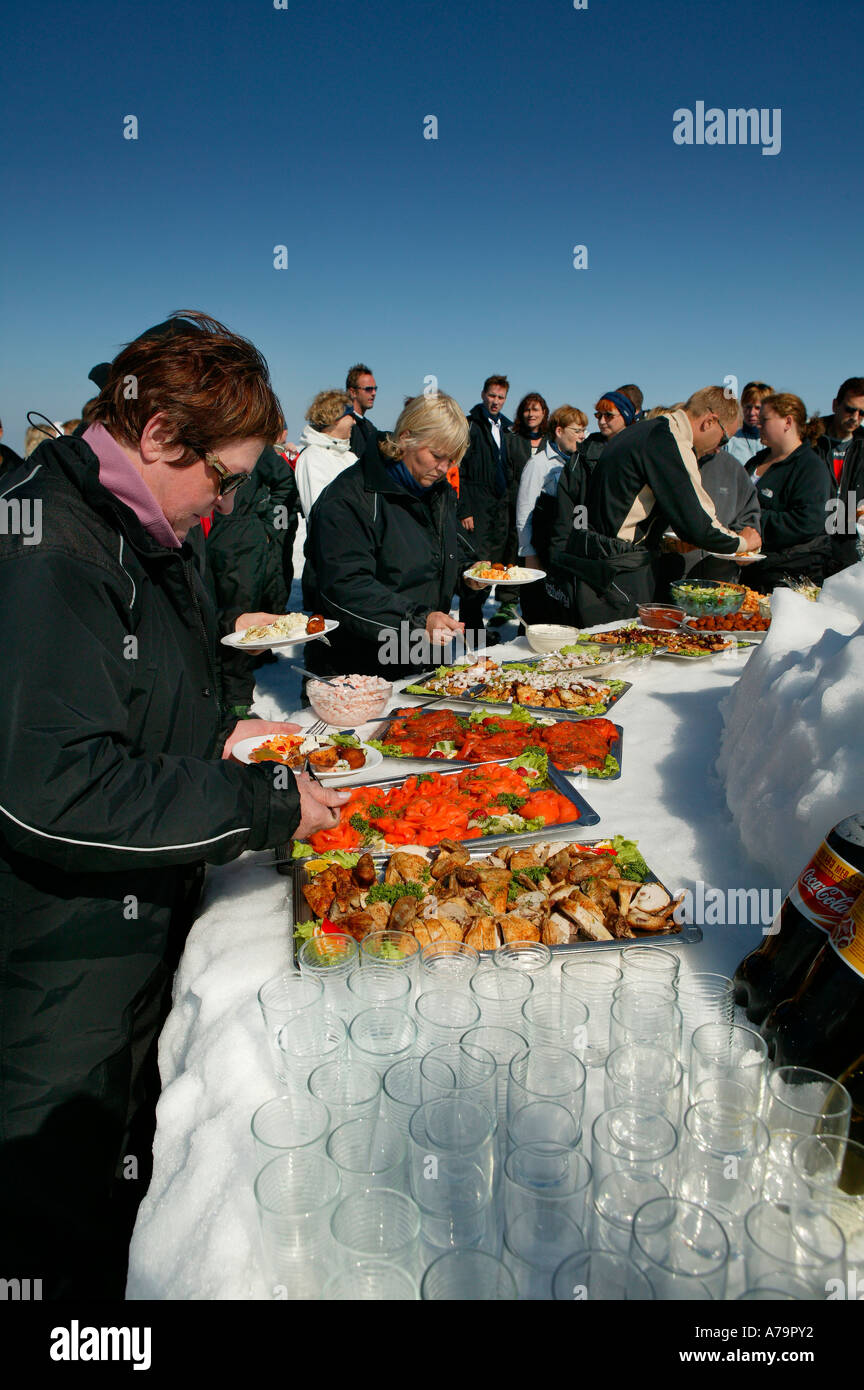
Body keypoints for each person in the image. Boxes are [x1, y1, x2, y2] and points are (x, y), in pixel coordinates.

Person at [0, 311, 348, 1299]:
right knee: (43, 1226)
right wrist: (260, 799)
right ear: (158, 435)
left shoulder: (134, 523)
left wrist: (213, 737)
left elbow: (136, 702)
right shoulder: (48, 542)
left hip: (124, 935)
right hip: (50, 969)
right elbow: (53, 787)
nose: (229, 505)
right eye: (223, 478)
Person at [303, 392, 479, 676]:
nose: (444, 468)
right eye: (436, 455)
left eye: (451, 459)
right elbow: (344, 586)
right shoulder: (350, 496)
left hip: (421, 654)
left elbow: (438, 551)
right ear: (407, 438)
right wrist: (418, 620)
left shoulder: (438, 491)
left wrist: (466, 572)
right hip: (358, 664)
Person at [554, 386, 760, 622]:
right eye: (723, 438)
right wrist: (744, 542)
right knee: (622, 654)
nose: (718, 448)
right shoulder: (669, 440)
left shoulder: (646, 430)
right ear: (709, 421)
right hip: (619, 572)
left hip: (601, 562)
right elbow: (700, 526)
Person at [206, 431, 302, 715]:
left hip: (239, 541)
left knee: (238, 618)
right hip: (205, 540)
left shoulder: (251, 446)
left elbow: (286, 486)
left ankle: (237, 705)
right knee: (210, 617)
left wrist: (269, 527)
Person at [545, 389, 639, 609]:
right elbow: (567, 509)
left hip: (629, 554)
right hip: (590, 549)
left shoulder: (639, 452)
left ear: (625, 417)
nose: (602, 421)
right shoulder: (584, 455)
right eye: (598, 416)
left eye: (609, 415)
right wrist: (560, 555)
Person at [744, 392, 833, 590]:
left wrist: (752, 521)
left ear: (788, 421)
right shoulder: (755, 462)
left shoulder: (810, 467)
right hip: (750, 572)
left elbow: (807, 521)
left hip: (788, 577)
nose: (758, 425)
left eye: (764, 420)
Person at [515, 406, 588, 625]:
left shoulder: (579, 463)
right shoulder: (539, 464)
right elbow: (524, 510)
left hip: (564, 549)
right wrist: (529, 553)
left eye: (584, 430)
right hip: (541, 548)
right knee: (537, 610)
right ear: (559, 431)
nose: (582, 436)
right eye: (576, 430)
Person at [457, 375, 514, 632]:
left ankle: (482, 624)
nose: (496, 401)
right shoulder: (470, 425)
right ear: (483, 395)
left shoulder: (508, 428)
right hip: (476, 506)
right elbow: (460, 470)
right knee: (477, 566)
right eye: (492, 396)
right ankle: (472, 628)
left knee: (493, 564)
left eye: (501, 397)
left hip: (500, 509)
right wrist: (464, 508)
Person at [493, 393, 550, 626]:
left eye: (536, 409)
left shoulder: (550, 439)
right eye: (527, 410)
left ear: (544, 413)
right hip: (515, 503)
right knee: (513, 551)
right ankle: (507, 601)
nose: (531, 414)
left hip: (544, 506)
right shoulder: (512, 438)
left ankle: (539, 600)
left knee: (538, 552)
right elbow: (504, 472)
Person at [810, 377, 864, 572]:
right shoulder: (809, 440)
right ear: (835, 405)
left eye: (862, 413)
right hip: (810, 543)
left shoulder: (863, 444)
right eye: (850, 409)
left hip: (847, 544)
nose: (855, 417)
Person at [294, 389, 357, 517]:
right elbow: (319, 511)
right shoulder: (311, 458)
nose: (354, 421)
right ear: (335, 418)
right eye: (351, 415)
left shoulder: (351, 458)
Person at [726, 381, 773, 466]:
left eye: (757, 408)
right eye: (748, 407)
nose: (751, 413)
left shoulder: (776, 442)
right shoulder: (730, 441)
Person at [346, 363, 379, 460]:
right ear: (353, 392)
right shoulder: (343, 424)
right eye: (368, 389)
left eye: (375, 388)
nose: (374, 393)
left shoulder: (370, 428)